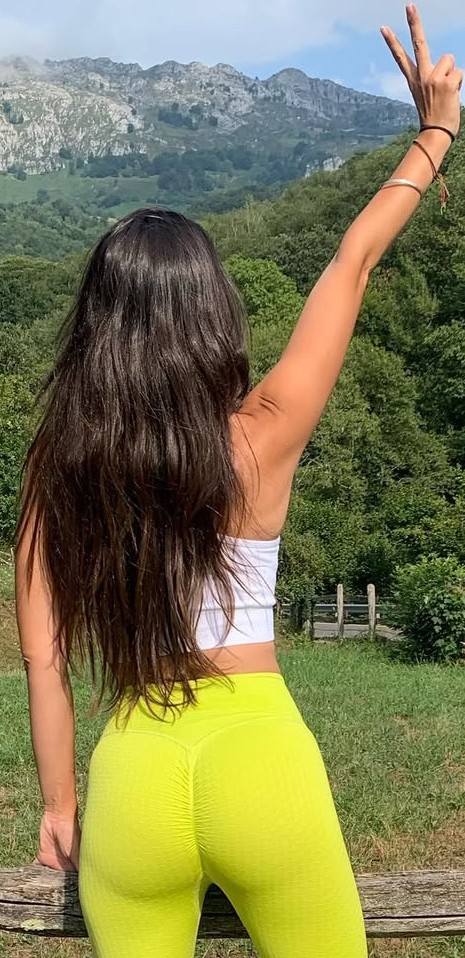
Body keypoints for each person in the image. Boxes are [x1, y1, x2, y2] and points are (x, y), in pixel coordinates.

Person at [14, 5, 462, 957]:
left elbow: (44, 662)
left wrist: (60, 805)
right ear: (214, 312)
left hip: (134, 775)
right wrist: (434, 135)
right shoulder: (260, 436)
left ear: (96, 327)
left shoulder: (62, 466)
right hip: (261, 758)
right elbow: (350, 265)